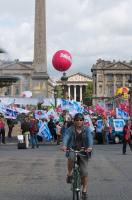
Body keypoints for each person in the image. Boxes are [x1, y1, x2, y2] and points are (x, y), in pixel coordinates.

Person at [61, 113, 93, 200]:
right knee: (71, 157)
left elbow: (90, 138)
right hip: (72, 149)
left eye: (81, 120)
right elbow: (66, 137)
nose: (79, 122)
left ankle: (84, 191)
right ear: (74, 121)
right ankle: (69, 173)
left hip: (84, 150)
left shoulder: (87, 129)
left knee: (84, 172)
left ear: (83, 121)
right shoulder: (70, 129)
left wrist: (90, 147)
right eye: (77, 120)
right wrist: (64, 145)